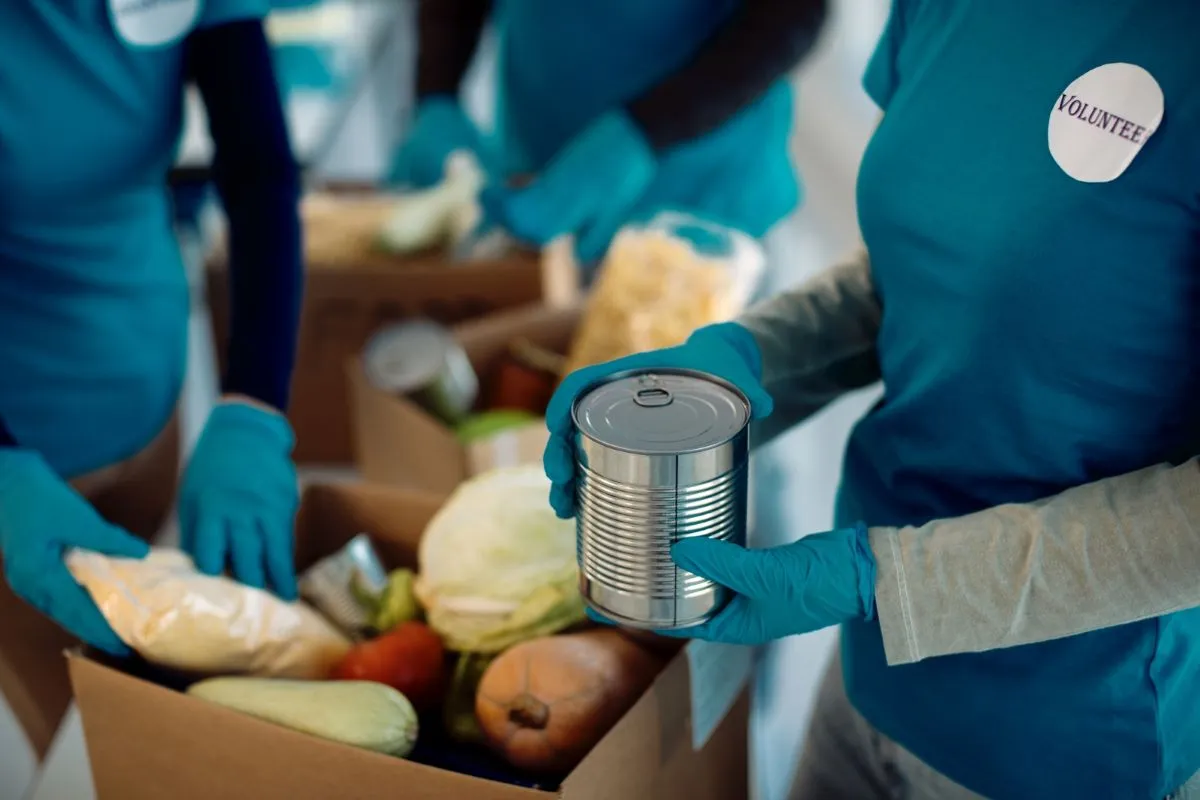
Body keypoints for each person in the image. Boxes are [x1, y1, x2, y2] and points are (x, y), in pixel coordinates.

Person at [542, 1, 1200, 798]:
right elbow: (931, 266)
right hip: (875, 673)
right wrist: (748, 361)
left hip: (1068, 738)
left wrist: (880, 579)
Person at [0, 0, 303, 754]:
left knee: (149, 709)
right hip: (18, 434)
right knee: (68, 726)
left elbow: (260, 169)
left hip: (142, 376)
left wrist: (252, 407)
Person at [388, 0, 828, 269]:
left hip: (700, 198)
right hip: (541, 176)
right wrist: (437, 91)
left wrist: (643, 131)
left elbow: (794, 11)